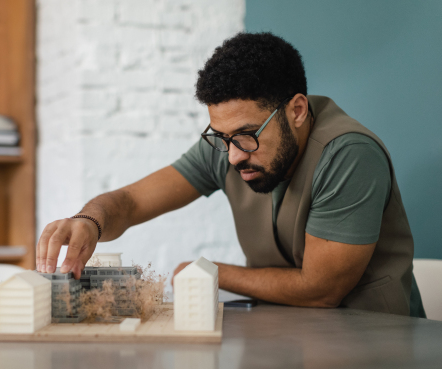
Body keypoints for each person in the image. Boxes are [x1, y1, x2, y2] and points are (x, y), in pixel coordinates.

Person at [36, 32, 425, 317]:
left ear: (297, 110)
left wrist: (212, 272)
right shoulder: (228, 144)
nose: (234, 155)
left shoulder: (350, 154)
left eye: (248, 135)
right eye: (221, 137)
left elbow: (321, 291)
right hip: (290, 337)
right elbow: (133, 201)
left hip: (378, 347)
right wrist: (90, 220)